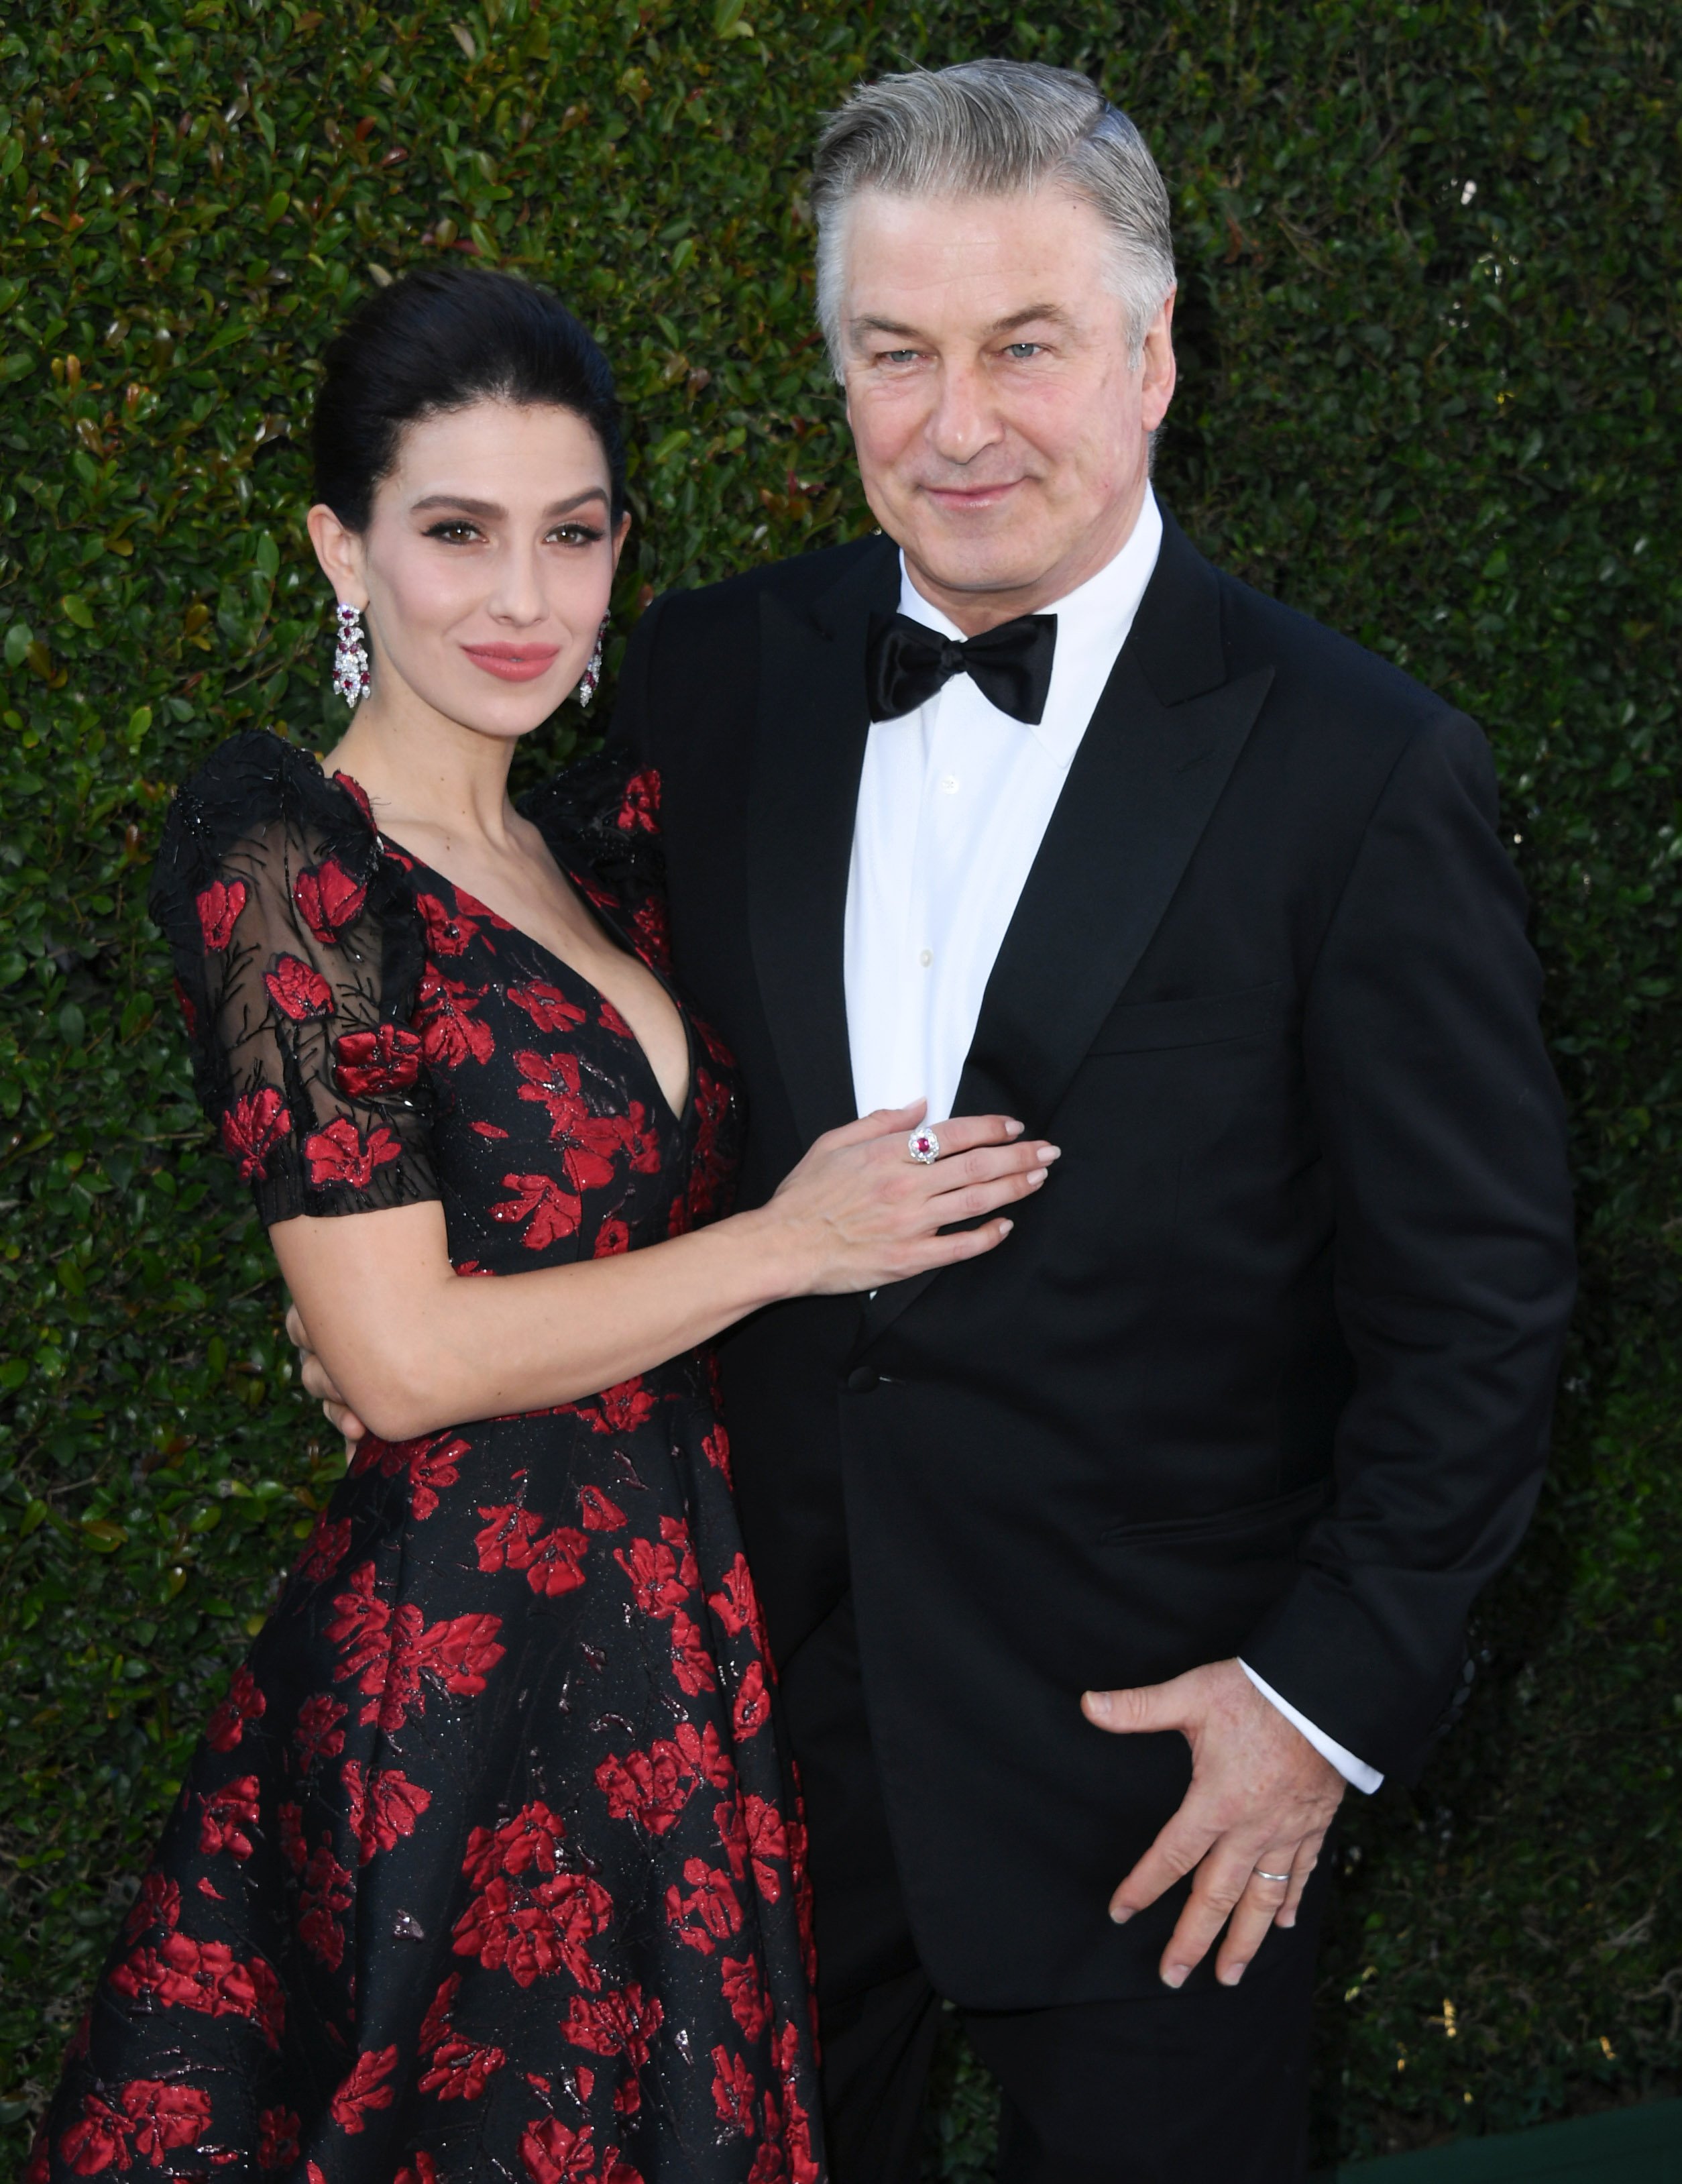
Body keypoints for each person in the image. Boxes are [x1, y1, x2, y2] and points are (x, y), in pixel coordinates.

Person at [294, 60, 1577, 2184]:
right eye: (897, 354)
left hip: (1163, 1782)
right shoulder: (706, 680)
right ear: (836, 369)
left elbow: (1483, 1305)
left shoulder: (1363, 772)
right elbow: (542, 1050)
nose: (958, 422)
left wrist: (1314, 1711)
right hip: (734, 1744)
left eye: (1024, 346)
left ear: (1155, 357)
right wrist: (399, 1308)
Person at [36, 266, 1058, 2184]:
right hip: (459, 1678)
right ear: (339, 549)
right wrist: (784, 1240)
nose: (524, 601)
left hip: (681, 1643)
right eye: (455, 533)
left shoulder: (604, 849)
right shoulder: (285, 852)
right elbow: (400, 1359)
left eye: (573, 536)